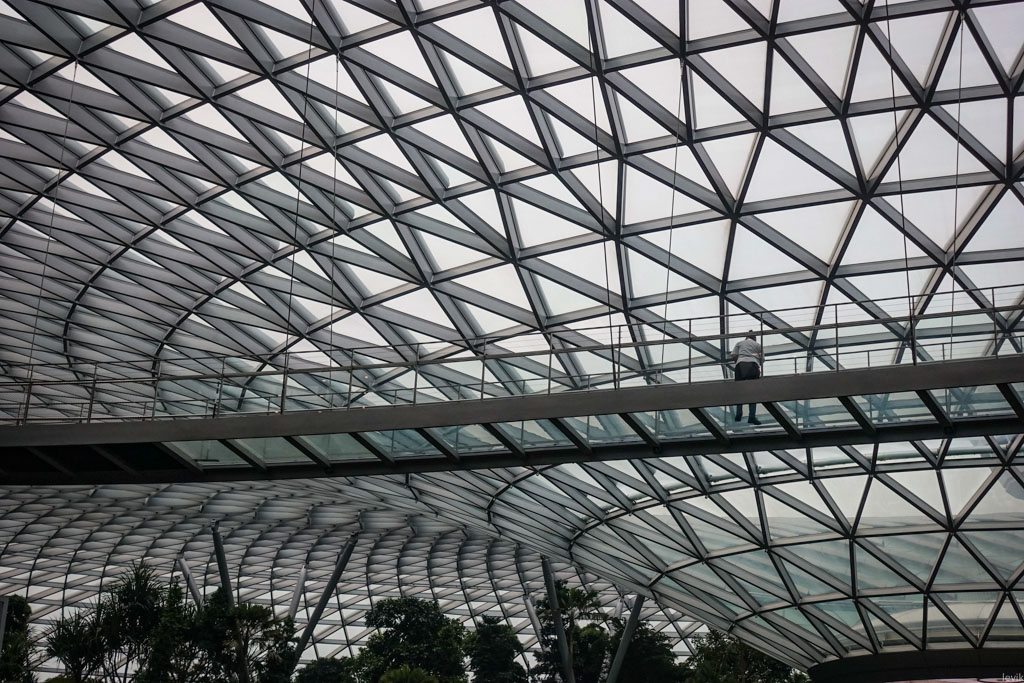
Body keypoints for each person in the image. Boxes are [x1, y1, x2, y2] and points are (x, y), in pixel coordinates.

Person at [731, 331, 762, 425]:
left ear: (746, 337)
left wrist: (739, 360)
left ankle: (738, 413)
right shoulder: (758, 345)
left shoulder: (740, 343)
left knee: (739, 390)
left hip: (740, 365)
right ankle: (751, 416)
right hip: (753, 365)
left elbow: (734, 355)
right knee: (753, 391)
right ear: (755, 338)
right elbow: (762, 359)